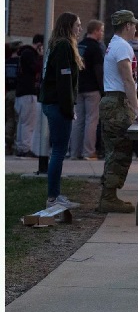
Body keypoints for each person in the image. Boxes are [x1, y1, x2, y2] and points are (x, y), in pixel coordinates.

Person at [99, 10, 138, 214]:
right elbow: (127, 79)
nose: (136, 28)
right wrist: (136, 108)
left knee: (115, 149)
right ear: (127, 25)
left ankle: (108, 195)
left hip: (113, 100)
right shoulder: (122, 46)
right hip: (117, 103)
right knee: (120, 150)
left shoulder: (114, 44)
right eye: (134, 24)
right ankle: (108, 198)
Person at [38, 12, 84, 209]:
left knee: (58, 149)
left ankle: (54, 195)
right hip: (58, 104)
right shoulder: (64, 46)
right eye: (77, 25)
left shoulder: (59, 45)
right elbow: (64, 80)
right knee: (58, 150)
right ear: (68, 26)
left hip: (54, 103)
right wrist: (68, 109)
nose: (79, 28)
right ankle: (53, 197)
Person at [70, 20, 105, 160]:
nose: (102, 33)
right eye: (101, 30)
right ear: (96, 31)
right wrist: (103, 89)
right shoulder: (95, 48)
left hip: (78, 87)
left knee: (78, 121)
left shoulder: (78, 46)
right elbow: (98, 70)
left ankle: (74, 152)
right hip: (92, 88)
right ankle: (88, 152)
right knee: (92, 120)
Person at [14, 40, 42, 158]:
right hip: (28, 92)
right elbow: (36, 68)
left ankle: (21, 147)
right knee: (28, 122)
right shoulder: (30, 54)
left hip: (20, 92)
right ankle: (26, 148)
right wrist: (40, 57)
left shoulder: (22, 54)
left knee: (22, 122)